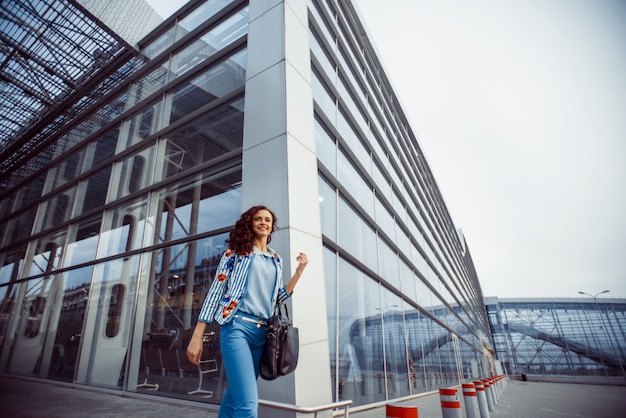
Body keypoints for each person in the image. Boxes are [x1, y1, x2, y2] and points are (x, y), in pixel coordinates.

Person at [186, 205, 308, 418]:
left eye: (268, 220)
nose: (263, 222)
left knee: (234, 398)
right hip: (237, 328)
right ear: (250, 224)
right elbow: (216, 290)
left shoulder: (276, 260)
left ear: (272, 227)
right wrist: (198, 335)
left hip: (263, 335)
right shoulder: (235, 253)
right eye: (258, 219)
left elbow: (278, 298)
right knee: (247, 406)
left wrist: (298, 272)